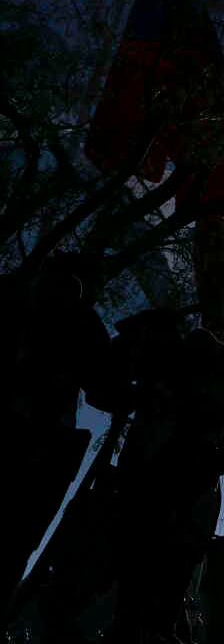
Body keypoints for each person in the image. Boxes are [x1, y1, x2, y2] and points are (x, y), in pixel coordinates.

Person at [109, 318, 224, 643]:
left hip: (173, 508)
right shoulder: (187, 409)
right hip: (167, 506)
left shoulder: (184, 408)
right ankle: (150, 627)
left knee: (161, 574)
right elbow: (188, 467)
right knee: (152, 571)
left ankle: (156, 626)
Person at [1, 254, 127, 605]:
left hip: (34, 438)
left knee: (14, 542)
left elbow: (103, 384)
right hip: (36, 442)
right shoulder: (76, 316)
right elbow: (105, 385)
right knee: (15, 541)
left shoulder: (18, 300)